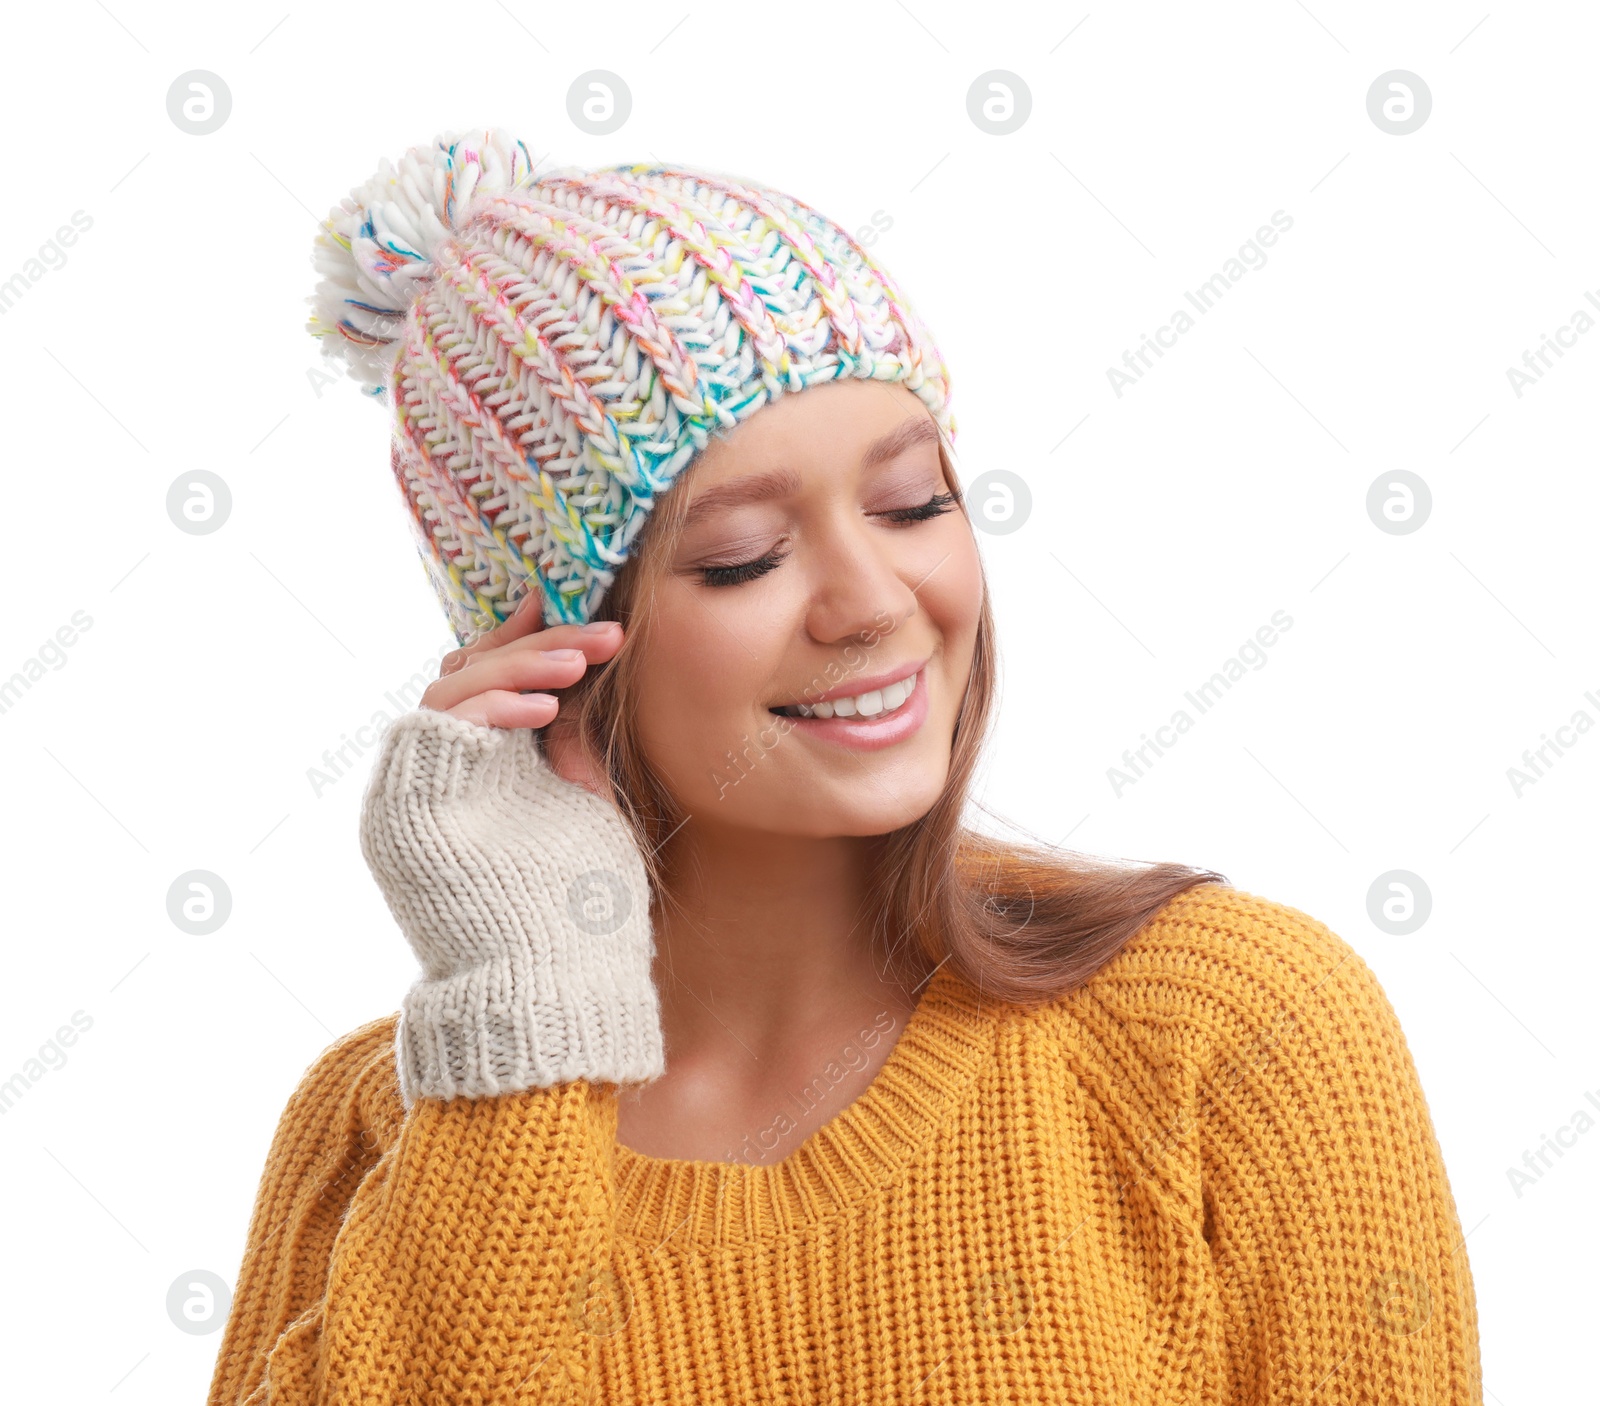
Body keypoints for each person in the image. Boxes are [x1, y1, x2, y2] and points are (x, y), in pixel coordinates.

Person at [206, 128, 1484, 1404]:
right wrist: (525, 1003)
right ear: (555, 654)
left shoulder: (1228, 1026)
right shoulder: (384, 1126)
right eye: (745, 556)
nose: (874, 600)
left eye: (914, 503)